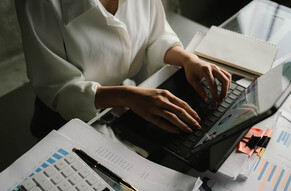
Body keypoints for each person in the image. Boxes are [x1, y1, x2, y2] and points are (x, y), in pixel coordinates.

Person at [15, 0, 231, 137]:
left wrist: (187, 59)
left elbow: (156, 35)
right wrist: (128, 96)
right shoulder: (39, 3)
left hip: (126, 101)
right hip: (67, 121)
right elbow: (61, 90)